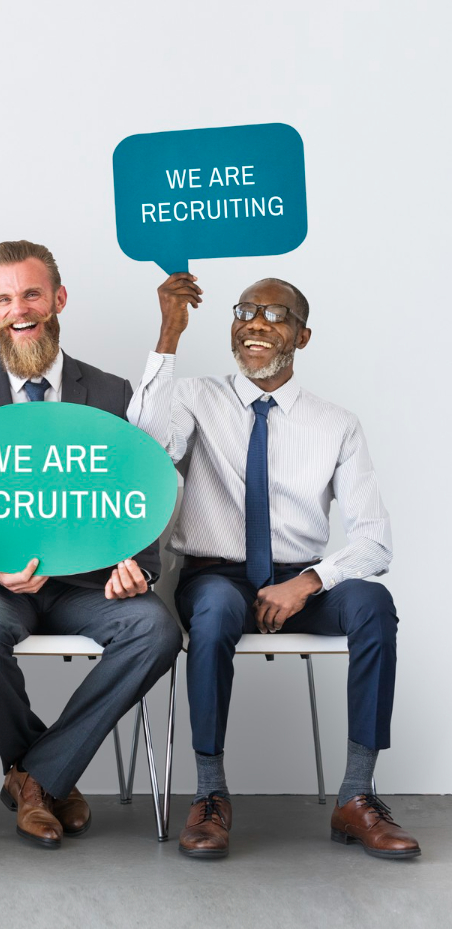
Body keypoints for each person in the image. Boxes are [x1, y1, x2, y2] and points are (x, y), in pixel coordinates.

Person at [0, 240, 182, 849]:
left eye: (31, 293)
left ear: (57, 299)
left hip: (88, 585)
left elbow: (140, 491)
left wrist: (134, 564)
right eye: (4, 298)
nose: (19, 309)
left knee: (156, 629)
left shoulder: (111, 394)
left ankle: (36, 779)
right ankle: (47, 777)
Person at [130, 273, 418, 860]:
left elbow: (375, 541)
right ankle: (210, 796)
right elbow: (144, 442)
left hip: (301, 580)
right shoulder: (193, 396)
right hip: (217, 575)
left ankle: (356, 796)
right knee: (211, 612)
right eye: (246, 310)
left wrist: (309, 582)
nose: (255, 322)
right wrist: (168, 334)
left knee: (373, 604)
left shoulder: (336, 423)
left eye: (275, 314)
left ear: (302, 337)